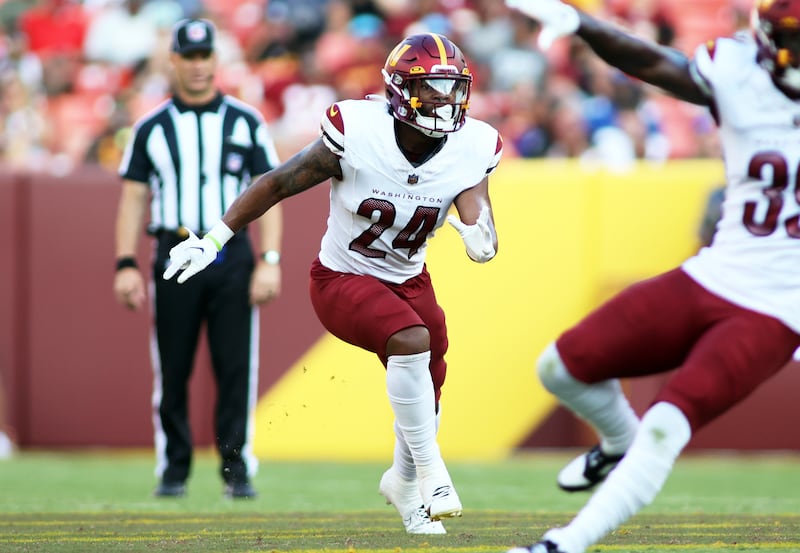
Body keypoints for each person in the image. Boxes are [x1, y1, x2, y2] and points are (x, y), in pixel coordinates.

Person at [163, 32, 504, 533]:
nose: (444, 99)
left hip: (410, 279)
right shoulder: (359, 131)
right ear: (401, 91)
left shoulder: (472, 145)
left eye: (452, 87)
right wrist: (213, 240)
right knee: (412, 339)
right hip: (343, 276)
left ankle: (405, 485)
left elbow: (478, 211)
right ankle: (433, 473)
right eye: (430, 87)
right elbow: (278, 182)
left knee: (429, 381)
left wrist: (483, 236)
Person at [502, 0, 800, 552]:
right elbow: (653, 62)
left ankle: (563, 545)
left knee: (666, 424)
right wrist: (583, 23)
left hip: (779, 306)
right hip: (716, 272)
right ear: (768, 42)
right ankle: (620, 441)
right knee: (559, 368)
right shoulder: (738, 73)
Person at [113, 18, 283, 499]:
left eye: (204, 55)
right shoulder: (151, 127)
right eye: (188, 56)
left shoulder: (246, 121)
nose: (197, 65)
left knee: (235, 367)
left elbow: (270, 192)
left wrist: (270, 258)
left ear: (215, 58)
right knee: (173, 366)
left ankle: (236, 468)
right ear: (174, 61)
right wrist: (124, 263)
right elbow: (133, 198)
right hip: (174, 252)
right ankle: (173, 469)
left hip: (230, 253)